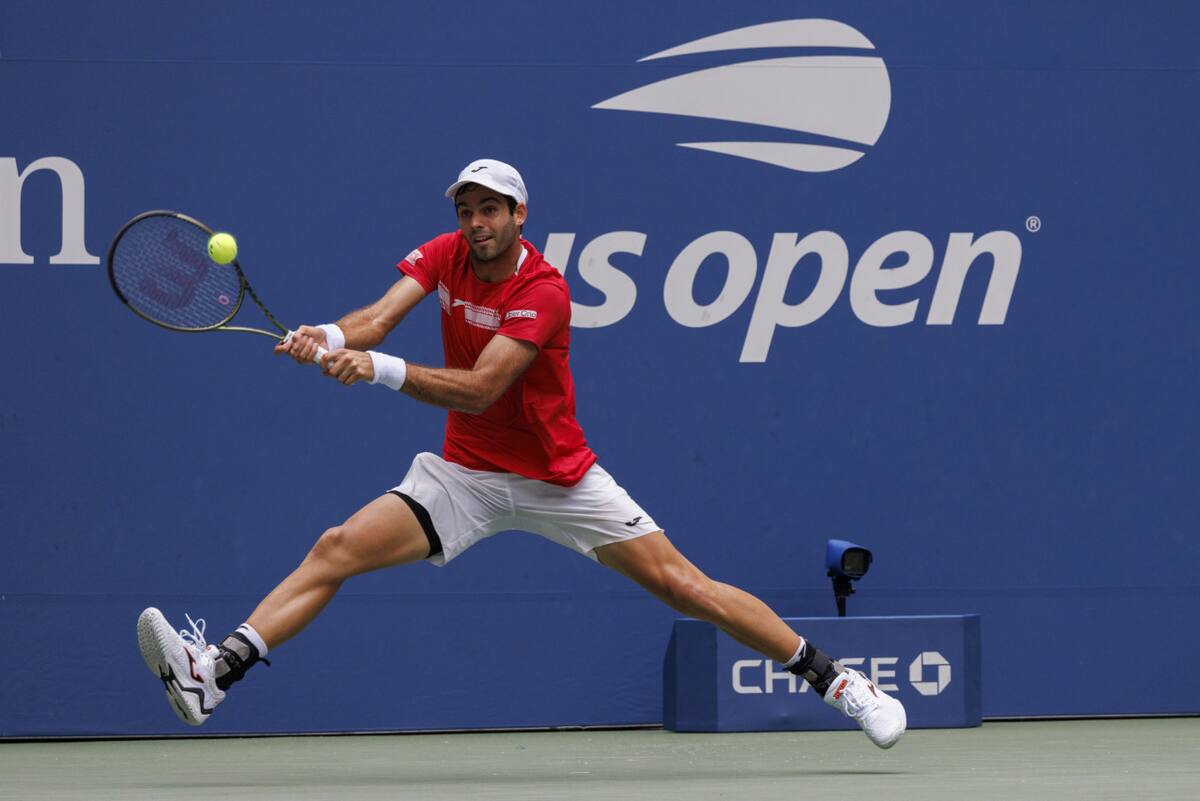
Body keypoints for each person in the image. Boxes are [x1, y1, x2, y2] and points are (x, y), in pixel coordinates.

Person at [136, 158, 906, 748]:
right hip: (465, 476)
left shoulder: (545, 290)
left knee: (687, 587)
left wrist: (374, 369)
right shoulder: (443, 254)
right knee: (337, 546)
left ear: (518, 214)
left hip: (557, 478)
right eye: (466, 210)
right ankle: (214, 676)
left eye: (489, 210)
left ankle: (840, 683)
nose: (475, 223)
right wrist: (331, 339)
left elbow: (480, 388)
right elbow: (377, 316)